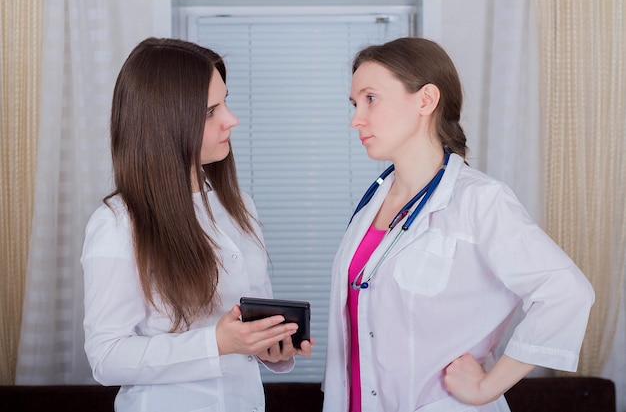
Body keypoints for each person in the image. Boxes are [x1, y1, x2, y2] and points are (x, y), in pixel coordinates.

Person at [322, 37, 595, 412]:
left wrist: (487, 386)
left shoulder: (479, 200)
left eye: (371, 98)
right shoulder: (372, 204)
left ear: (426, 100)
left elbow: (567, 291)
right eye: (355, 104)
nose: (356, 118)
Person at [81, 37, 312, 412]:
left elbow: (247, 324)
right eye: (210, 111)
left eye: (225, 102)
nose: (231, 119)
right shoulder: (119, 224)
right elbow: (106, 358)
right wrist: (217, 343)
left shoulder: (240, 208)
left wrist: (271, 345)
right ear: (164, 122)